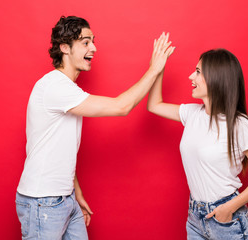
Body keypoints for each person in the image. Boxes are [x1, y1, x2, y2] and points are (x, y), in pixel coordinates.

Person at [15, 15, 175, 240]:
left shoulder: (68, 90)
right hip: (44, 202)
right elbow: (122, 106)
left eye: (93, 41)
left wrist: (74, 193)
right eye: (86, 42)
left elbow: (59, 150)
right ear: (65, 48)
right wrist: (154, 69)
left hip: (64, 197)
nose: (94, 48)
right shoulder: (55, 87)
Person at [147, 48, 248, 239]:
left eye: (198, 72)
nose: (191, 76)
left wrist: (229, 208)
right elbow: (154, 105)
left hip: (227, 219)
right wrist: (158, 68)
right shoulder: (192, 113)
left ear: (216, 78)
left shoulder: (240, 125)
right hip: (196, 217)